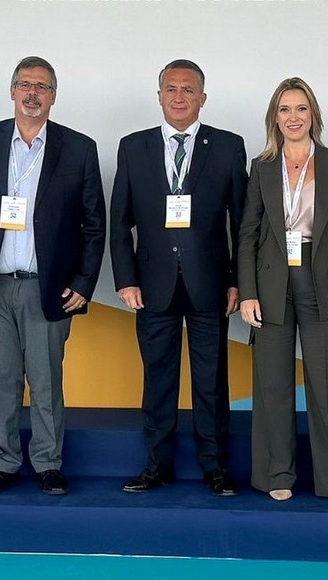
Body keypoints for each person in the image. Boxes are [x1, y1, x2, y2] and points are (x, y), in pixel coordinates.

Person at [0, 56, 106, 496]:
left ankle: (48, 464)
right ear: (12, 90)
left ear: (54, 96)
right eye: (24, 84)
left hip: (48, 285)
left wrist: (84, 282)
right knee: (0, 380)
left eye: (42, 86)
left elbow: (94, 224)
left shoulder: (78, 148)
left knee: (45, 380)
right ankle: (3, 463)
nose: (32, 93)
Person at [110, 59, 247, 496]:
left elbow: (243, 223)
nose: (179, 96)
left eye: (188, 89)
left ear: (202, 98)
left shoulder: (227, 147)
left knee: (211, 382)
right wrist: (126, 278)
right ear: (159, 97)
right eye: (171, 88)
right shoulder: (134, 147)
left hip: (210, 283)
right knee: (158, 380)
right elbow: (119, 221)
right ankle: (157, 465)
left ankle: (214, 467)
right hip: (152, 286)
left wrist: (238, 280)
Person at [238, 77, 328, 505]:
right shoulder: (262, 166)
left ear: (314, 115)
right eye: (285, 109)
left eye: (301, 109)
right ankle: (276, 473)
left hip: (322, 282)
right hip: (270, 284)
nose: (294, 117)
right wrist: (248, 291)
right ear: (275, 117)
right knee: (272, 385)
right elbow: (247, 234)